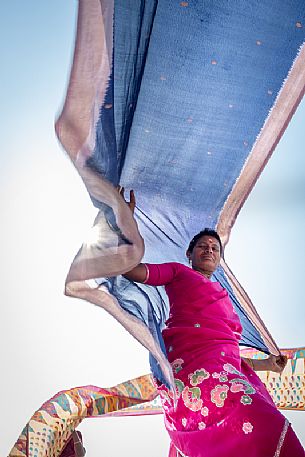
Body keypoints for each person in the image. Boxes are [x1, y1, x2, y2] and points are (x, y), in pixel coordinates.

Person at [120, 188, 305, 457]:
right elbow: (131, 270)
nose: (209, 250)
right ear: (190, 253)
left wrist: (267, 364)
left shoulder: (225, 299)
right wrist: (126, 223)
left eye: (214, 248)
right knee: (262, 423)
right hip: (192, 368)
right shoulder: (178, 271)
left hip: (226, 372)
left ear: (219, 259)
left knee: (265, 426)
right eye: (202, 246)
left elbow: (228, 354)